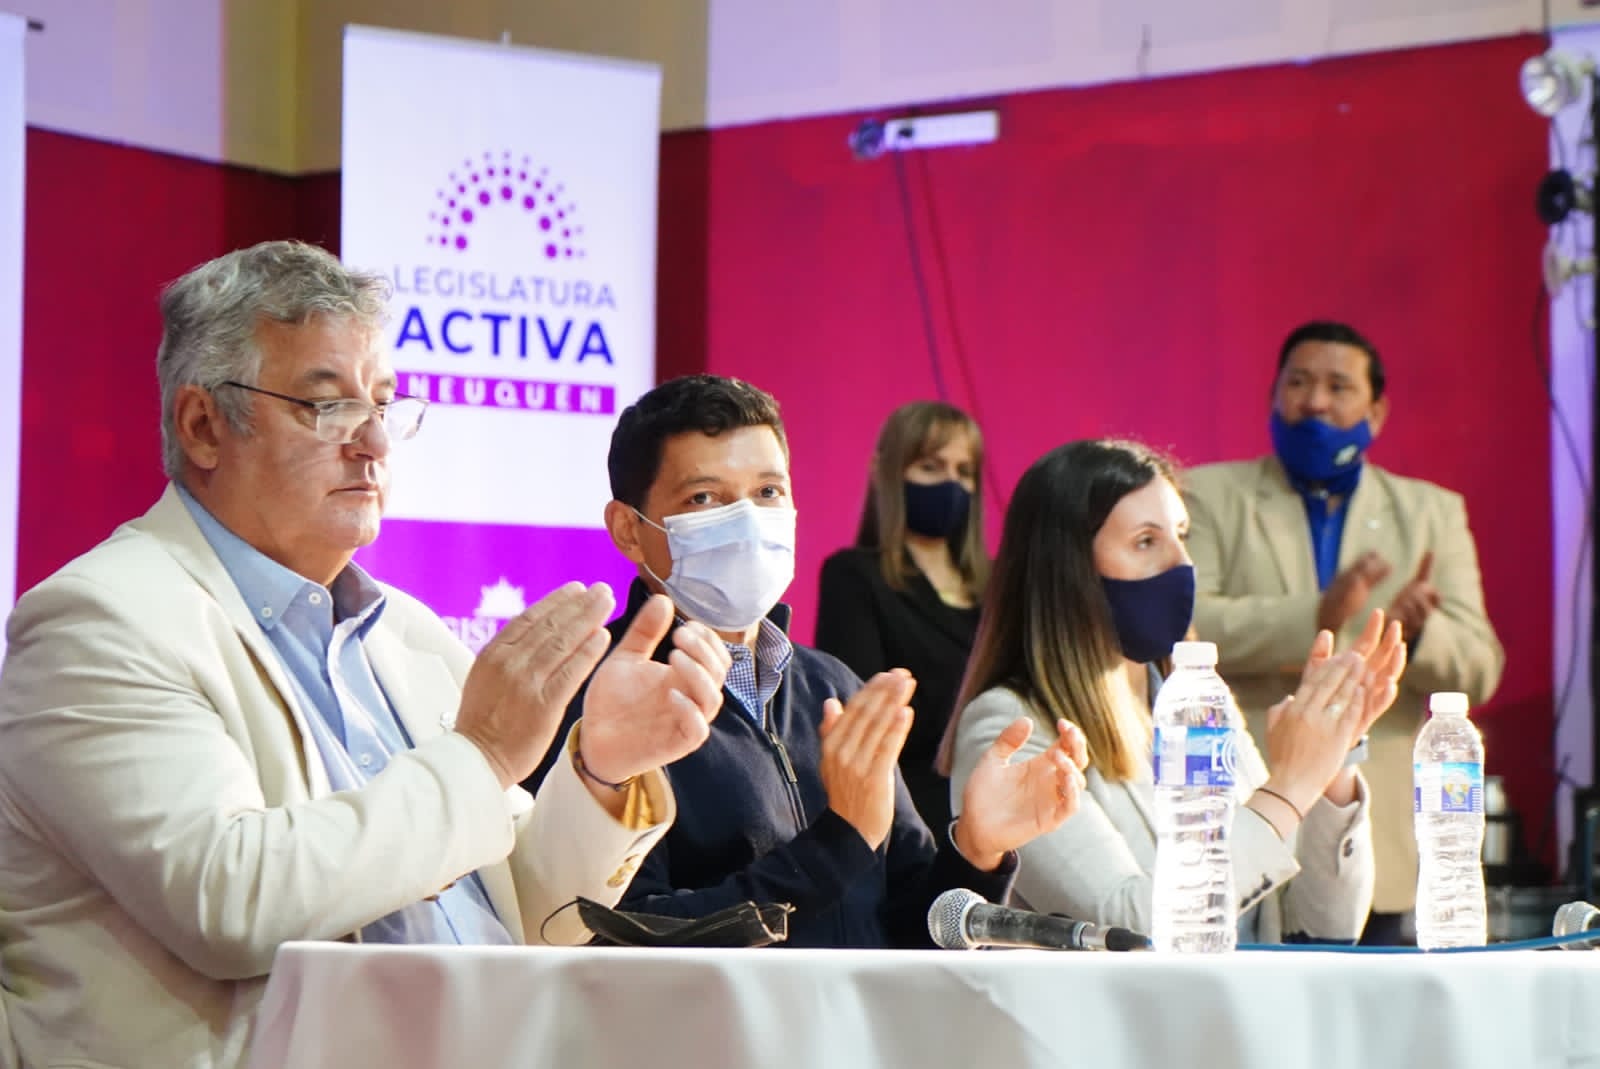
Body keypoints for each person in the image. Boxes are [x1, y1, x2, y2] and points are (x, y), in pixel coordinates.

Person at [0, 241, 730, 1069]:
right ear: (202, 426)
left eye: (382, 403)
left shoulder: (406, 632)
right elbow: (229, 900)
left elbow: (521, 907)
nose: (376, 441)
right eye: (327, 407)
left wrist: (598, 770)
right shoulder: (101, 620)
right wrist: (484, 754)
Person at [526, 374, 1089, 949]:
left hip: (856, 1011)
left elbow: (909, 929)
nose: (747, 519)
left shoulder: (832, 685)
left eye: (768, 491)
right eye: (704, 499)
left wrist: (977, 849)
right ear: (629, 530)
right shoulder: (595, 700)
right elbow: (613, 940)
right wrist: (840, 841)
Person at [941, 439, 1407, 942]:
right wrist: (1290, 788)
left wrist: (1330, 768)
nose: (1182, 563)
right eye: (1146, 541)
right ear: (1068, 569)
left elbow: (1321, 928)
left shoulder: (1198, 703)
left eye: (1181, 535)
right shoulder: (1010, 726)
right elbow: (1133, 928)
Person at [1183, 320, 1504, 943]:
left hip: (1377, 836)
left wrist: (1415, 635)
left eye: (1338, 386)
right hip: (1244, 814)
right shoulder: (1208, 496)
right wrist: (1319, 616)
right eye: (1299, 383)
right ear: (1274, 396)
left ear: (1376, 412)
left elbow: (1480, 667)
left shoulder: (1431, 512)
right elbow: (1190, 628)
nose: (1316, 402)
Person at [815, 400, 989, 833]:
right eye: (930, 467)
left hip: (999, 807)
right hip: (910, 817)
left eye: (964, 471)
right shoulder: (855, 576)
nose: (951, 484)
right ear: (886, 472)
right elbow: (863, 713)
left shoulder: (998, 587)